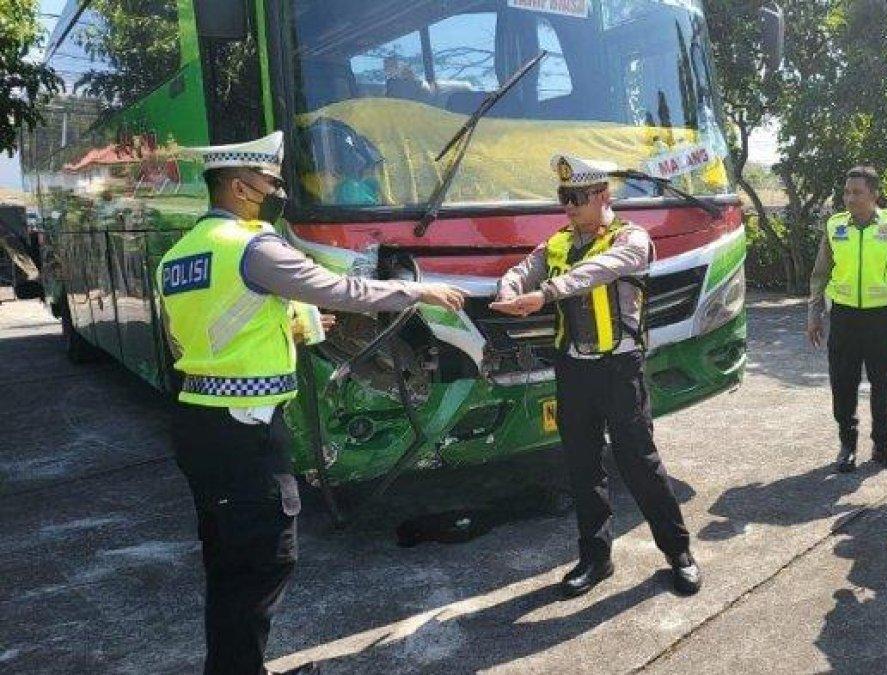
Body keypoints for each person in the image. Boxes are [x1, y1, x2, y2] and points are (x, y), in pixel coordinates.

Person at [156, 131, 464, 674]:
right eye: (270, 183)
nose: (277, 193)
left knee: (228, 564)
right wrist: (418, 291)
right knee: (265, 560)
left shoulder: (178, 256)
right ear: (239, 186)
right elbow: (342, 289)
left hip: (198, 426)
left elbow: (209, 332)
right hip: (246, 432)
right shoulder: (252, 246)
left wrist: (298, 327)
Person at [490, 155, 701, 598]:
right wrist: (509, 288)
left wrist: (546, 292)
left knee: (640, 464)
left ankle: (679, 553)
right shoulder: (558, 243)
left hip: (619, 370)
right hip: (573, 370)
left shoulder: (632, 238)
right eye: (563, 197)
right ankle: (595, 558)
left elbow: (597, 271)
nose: (567, 206)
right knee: (582, 466)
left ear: (603, 195)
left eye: (576, 197)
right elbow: (523, 269)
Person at [806, 166, 887, 473]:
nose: (850, 198)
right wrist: (814, 313)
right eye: (847, 192)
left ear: (874, 194)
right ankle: (847, 445)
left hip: (881, 319)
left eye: (857, 192)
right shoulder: (835, 225)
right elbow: (820, 273)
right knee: (842, 384)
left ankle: (883, 448)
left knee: (883, 385)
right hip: (843, 318)